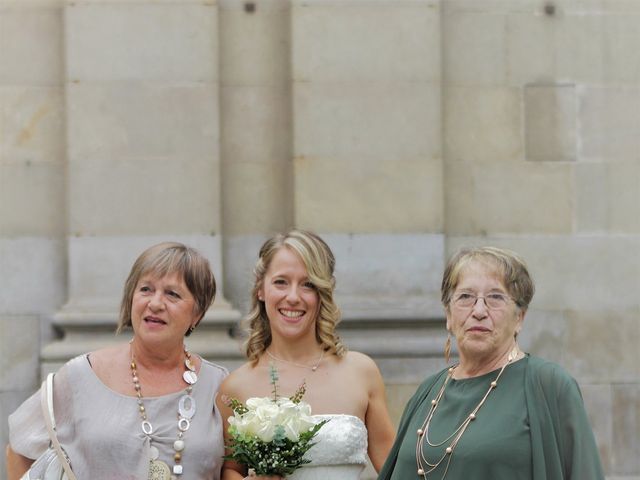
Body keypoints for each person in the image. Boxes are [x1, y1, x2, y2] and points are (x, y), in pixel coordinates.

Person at [378, 246, 605, 480]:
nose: (478, 311)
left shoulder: (550, 386)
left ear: (520, 317)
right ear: (448, 315)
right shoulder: (428, 391)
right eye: (465, 297)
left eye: (495, 297)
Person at [6, 242, 228, 480]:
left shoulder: (219, 386)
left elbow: (236, 471)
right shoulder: (81, 375)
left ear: (197, 313)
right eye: (145, 289)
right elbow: (18, 452)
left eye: (172, 294)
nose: (155, 303)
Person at [217, 230, 396, 480]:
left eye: (308, 284)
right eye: (281, 282)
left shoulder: (361, 372)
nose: (293, 297)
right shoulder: (235, 386)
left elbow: (395, 470)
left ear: (322, 293)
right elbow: (229, 470)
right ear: (261, 289)